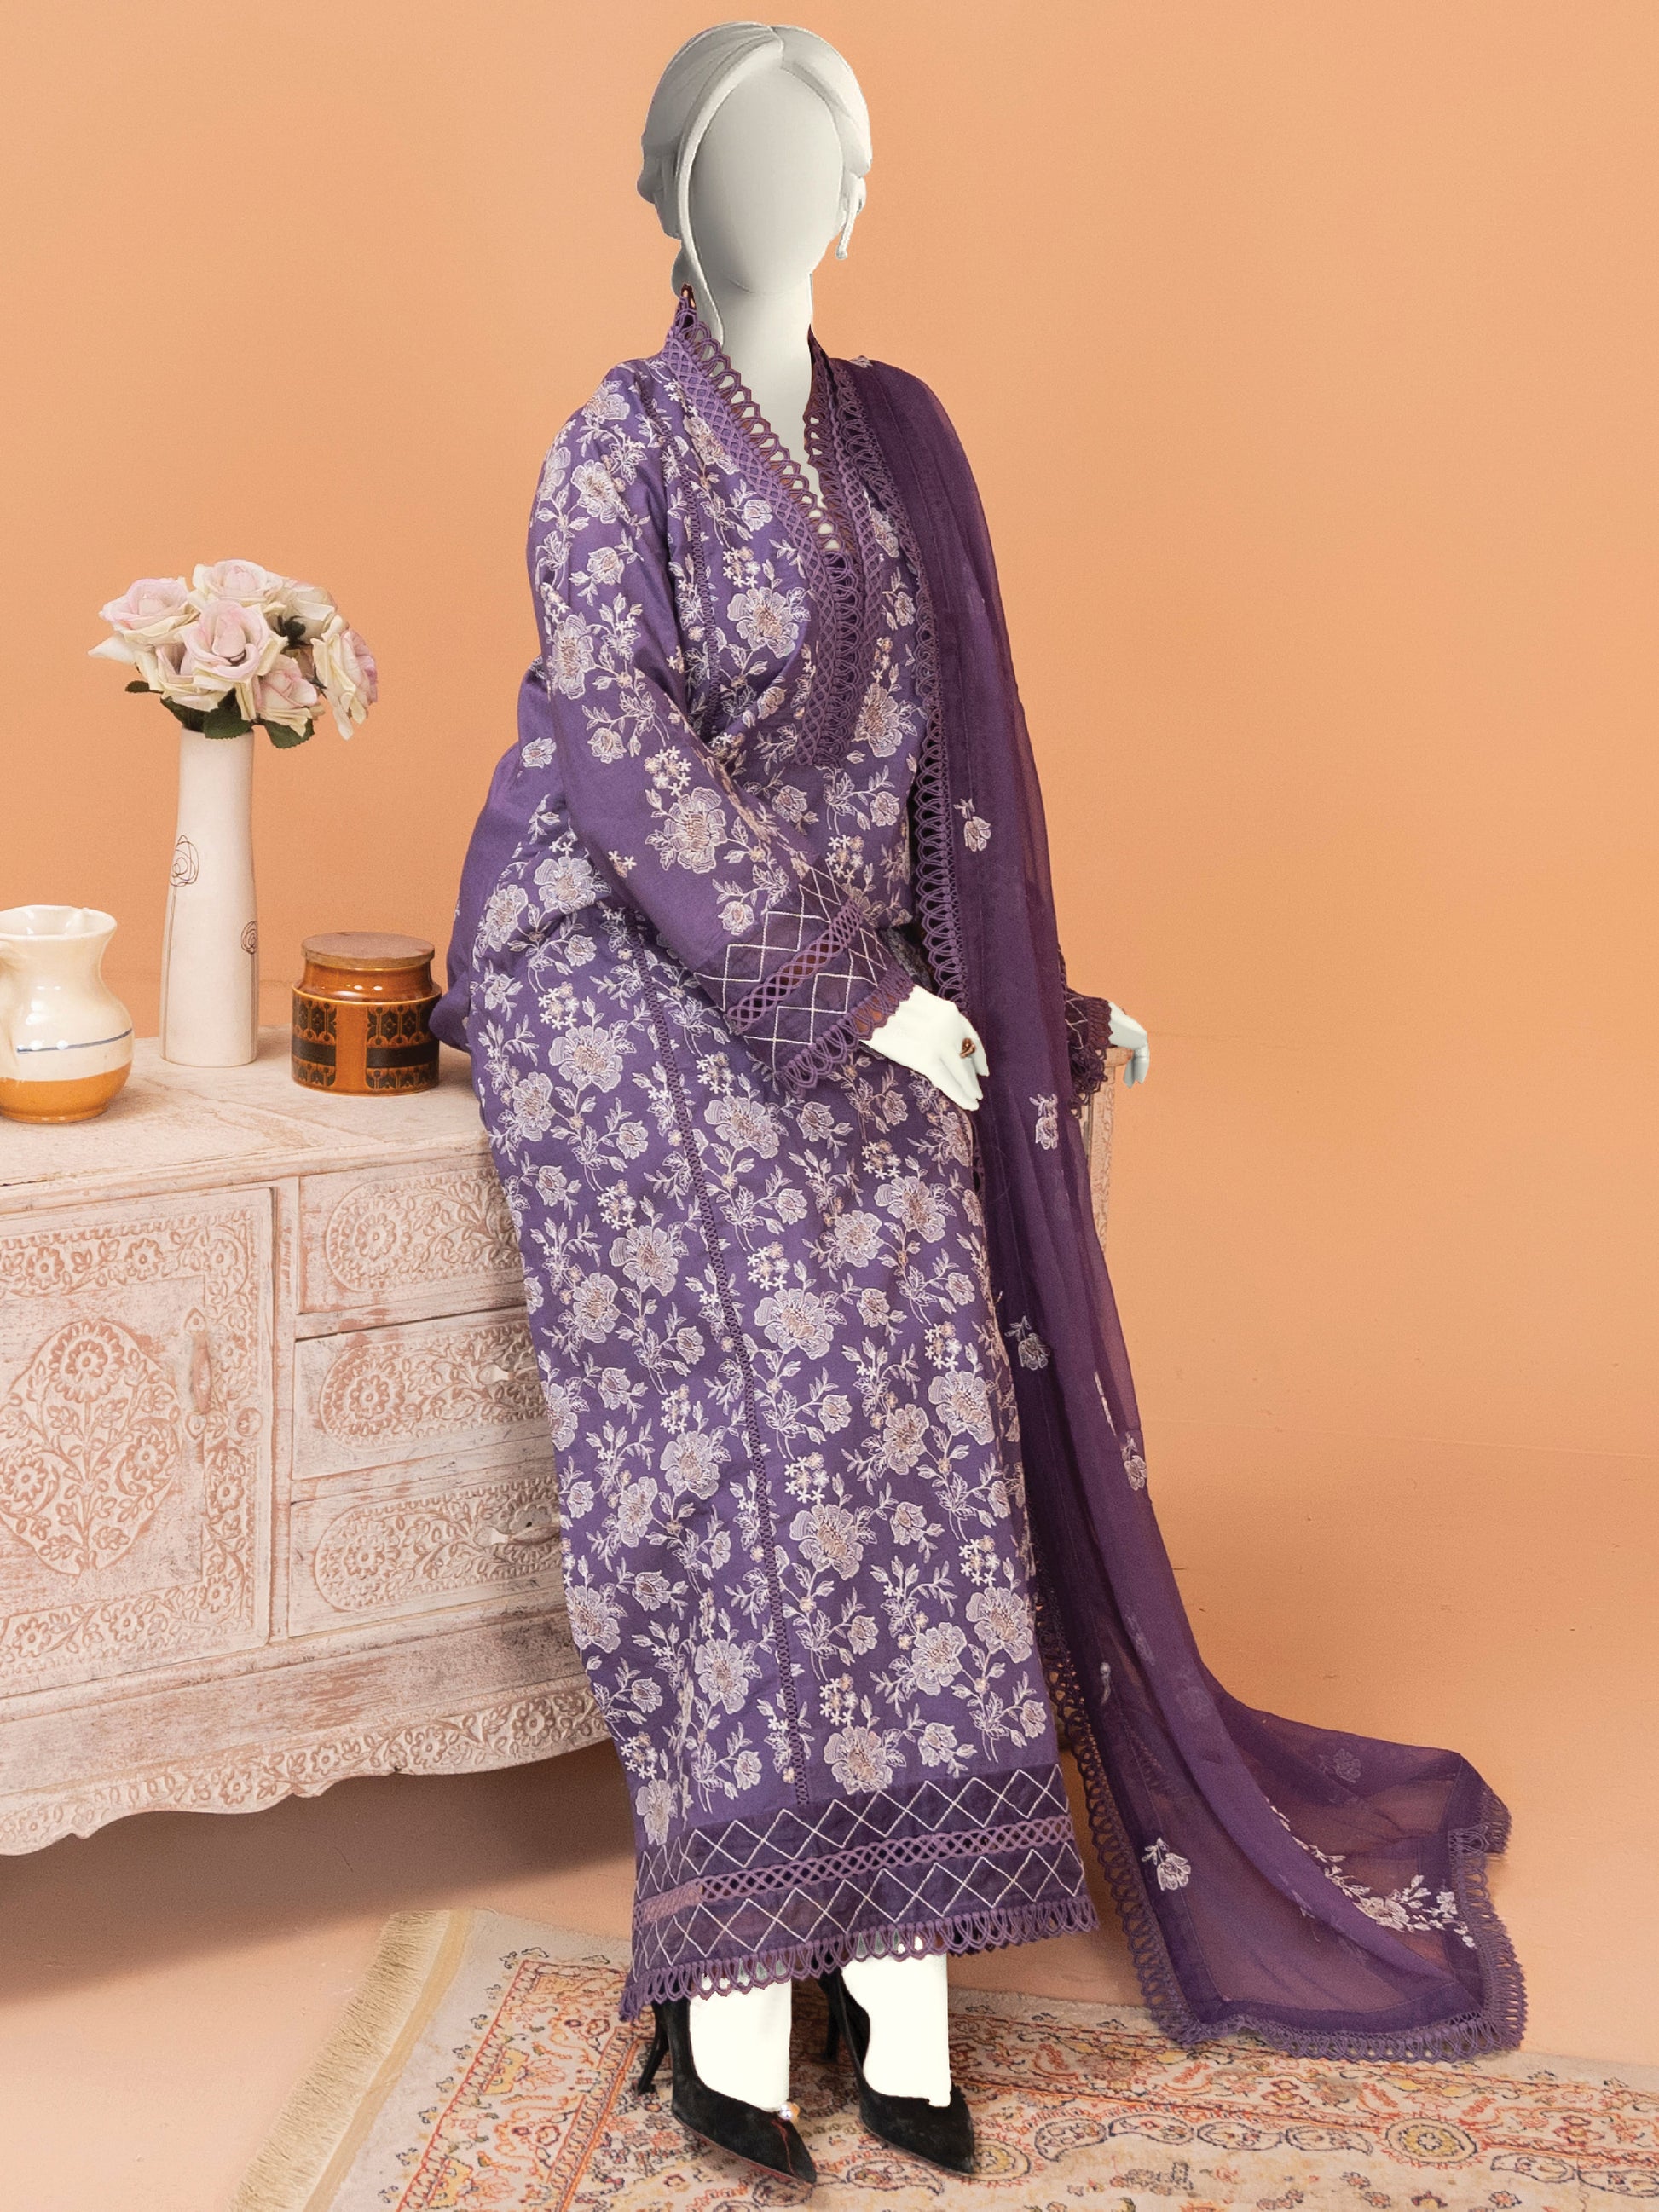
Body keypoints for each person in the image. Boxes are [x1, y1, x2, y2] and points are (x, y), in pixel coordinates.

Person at [434, 21, 1521, 2192]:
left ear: (856, 197)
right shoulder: (612, 446)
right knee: (746, 1405)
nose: (777, 197)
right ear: (663, 194)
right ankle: (729, 2000)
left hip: (863, 985)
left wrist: (1023, 1011)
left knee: (923, 1377)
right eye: (733, 159)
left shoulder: (900, 440)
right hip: (618, 970)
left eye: (812, 160)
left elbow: (954, 791)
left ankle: (901, 1980)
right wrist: (855, 1002)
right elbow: (622, 753)